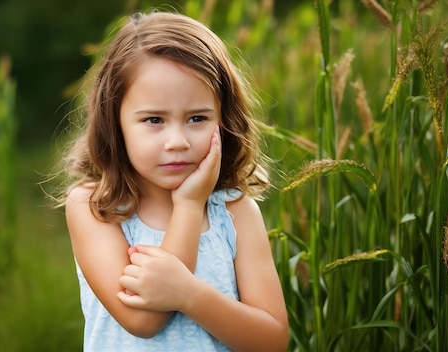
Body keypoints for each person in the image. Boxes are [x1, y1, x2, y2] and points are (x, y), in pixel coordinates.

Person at [60, 10, 289, 352]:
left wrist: (190, 294)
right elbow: (143, 320)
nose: (177, 141)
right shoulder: (95, 206)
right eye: (154, 119)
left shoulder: (235, 212)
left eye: (197, 118)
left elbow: (271, 341)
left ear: (223, 120)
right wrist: (189, 205)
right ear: (115, 122)